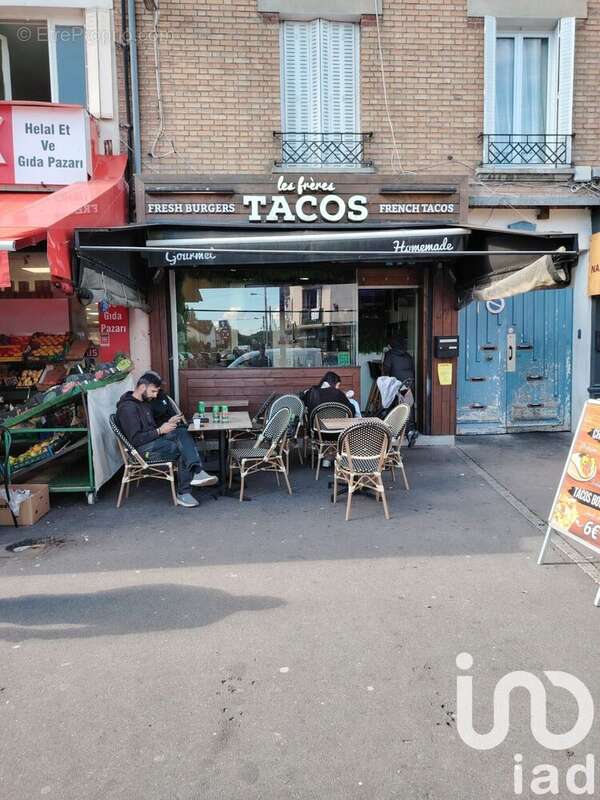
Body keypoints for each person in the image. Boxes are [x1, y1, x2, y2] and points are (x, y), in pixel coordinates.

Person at [116, 372, 217, 507]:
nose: (155, 395)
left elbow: (150, 428)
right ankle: (187, 488)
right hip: (142, 451)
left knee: (181, 430)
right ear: (141, 387)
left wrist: (167, 423)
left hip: (153, 442)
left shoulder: (144, 403)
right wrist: (160, 430)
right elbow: (135, 440)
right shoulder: (127, 408)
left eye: (156, 392)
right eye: (153, 391)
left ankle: (196, 473)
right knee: (182, 449)